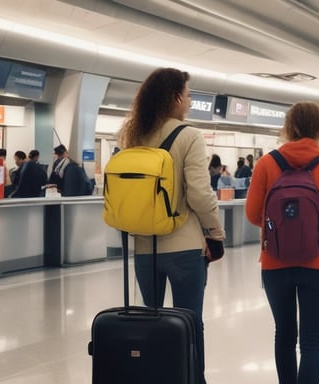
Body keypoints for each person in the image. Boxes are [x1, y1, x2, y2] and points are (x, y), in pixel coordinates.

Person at [245, 101, 319, 384]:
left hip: (275, 264)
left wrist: (280, 229)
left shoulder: (266, 163)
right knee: (312, 341)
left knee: (284, 335)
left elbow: (252, 214)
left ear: (289, 126)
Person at [118, 67, 224, 383]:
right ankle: (193, 379)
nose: (190, 102)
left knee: (151, 321)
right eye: (189, 95)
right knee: (190, 322)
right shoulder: (189, 135)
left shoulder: (132, 135)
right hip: (185, 248)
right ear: (177, 97)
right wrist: (215, 233)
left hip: (144, 247)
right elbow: (200, 193)